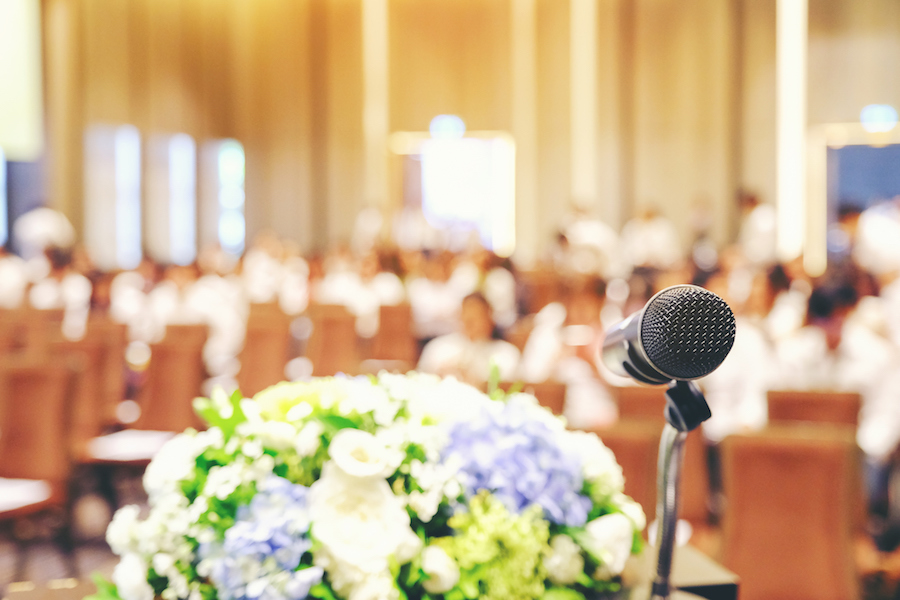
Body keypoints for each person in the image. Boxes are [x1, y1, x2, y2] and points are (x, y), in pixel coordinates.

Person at [417, 292, 520, 385]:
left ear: (490, 318)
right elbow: (421, 382)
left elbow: (506, 388)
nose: (471, 323)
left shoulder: (506, 353)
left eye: (477, 317)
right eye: (467, 317)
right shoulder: (438, 348)